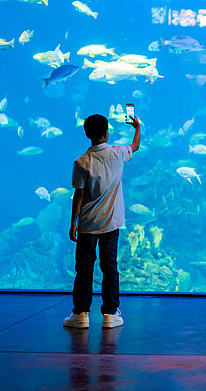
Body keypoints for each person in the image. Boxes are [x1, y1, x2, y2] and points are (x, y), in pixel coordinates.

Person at [63, 113, 141, 329]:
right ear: (107, 133)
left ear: (87, 134)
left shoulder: (81, 162)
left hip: (87, 224)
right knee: (109, 266)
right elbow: (135, 145)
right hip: (111, 223)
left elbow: (78, 195)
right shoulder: (118, 153)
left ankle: (80, 314)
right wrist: (137, 126)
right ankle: (110, 314)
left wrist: (73, 223)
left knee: (84, 268)